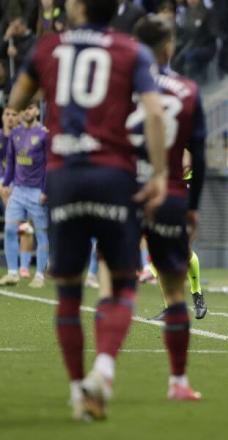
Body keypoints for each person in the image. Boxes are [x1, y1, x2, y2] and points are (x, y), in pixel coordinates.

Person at [7, 0, 168, 421]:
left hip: (64, 175)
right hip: (113, 174)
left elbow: (18, 97)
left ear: (76, 7)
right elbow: (153, 111)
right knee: (121, 279)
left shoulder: (47, 48)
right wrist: (159, 174)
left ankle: (79, 389)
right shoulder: (133, 51)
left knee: (69, 289)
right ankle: (104, 369)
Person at [132, 14, 206, 399]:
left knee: (117, 278)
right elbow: (200, 150)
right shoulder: (186, 88)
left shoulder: (124, 84)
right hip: (173, 191)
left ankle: (99, 375)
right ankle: (178, 381)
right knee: (168, 269)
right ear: (169, 47)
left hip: (134, 186)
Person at [0, 102, 48, 288]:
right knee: (12, 230)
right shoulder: (16, 134)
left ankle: (40, 276)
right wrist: (6, 183)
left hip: (36, 190)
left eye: (30, 108)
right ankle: (13, 272)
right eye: (24, 109)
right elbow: (11, 161)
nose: (27, 112)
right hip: (18, 190)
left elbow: (48, 166)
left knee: (41, 233)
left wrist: (45, 190)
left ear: (36, 111)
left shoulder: (44, 135)